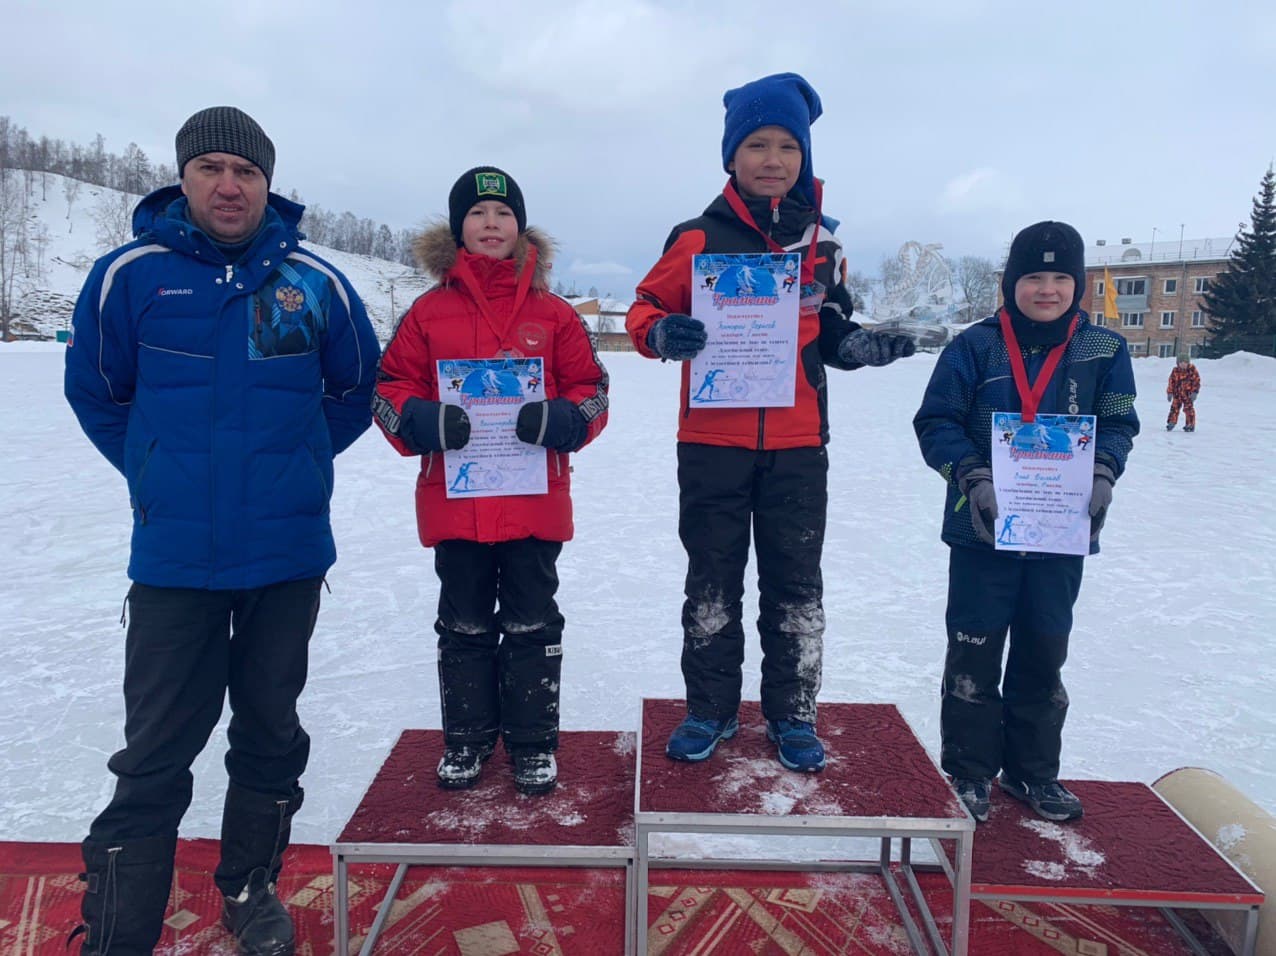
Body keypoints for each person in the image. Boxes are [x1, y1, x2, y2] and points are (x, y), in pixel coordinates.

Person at [63, 106, 380, 956]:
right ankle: (121, 930)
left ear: (268, 184)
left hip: (286, 554)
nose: (229, 185)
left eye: (246, 171)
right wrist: (156, 469)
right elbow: (97, 391)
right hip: (176, 559)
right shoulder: (128, 276)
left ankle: (249, 887)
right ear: (184, 179)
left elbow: (357, 389)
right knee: (155, 752)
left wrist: (297, 462)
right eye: (211, 168)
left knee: (270, 735)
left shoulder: (315, 283)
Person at [625, 73, 915, 773]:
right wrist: (661, 334)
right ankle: (710, 709)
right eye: (758, 144)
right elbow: (643, 310)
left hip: (797, 446)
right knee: (712, 582)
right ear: (732, 155)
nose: (774, 159)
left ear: (804, 156)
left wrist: (860, 347)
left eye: (789, 146)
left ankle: (792, 714)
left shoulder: (822, 246)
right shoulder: (697, 237)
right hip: (712, 445)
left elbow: (831, 331)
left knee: (795, 586)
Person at [373, 166, 608, 796]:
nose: (491, 223)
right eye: (477, 213)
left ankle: (532, 744)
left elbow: (592, 389)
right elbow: (389, 390)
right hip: (457, 504)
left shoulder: (554, 314)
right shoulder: (427, 313)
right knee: (464, 625)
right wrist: (421, 420)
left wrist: (564, 419)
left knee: (533, 622)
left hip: (533, 503)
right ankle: (468, 739)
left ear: (521, 228)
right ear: (458, 229)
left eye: (503, 213)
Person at [913, 221, 1139, 824]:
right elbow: (936, 422)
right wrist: (972, 477)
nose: (1047, 289)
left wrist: (1104, 472)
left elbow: (1119, 422)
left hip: (1061, 532)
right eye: (1034, 276)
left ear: (1078, 285)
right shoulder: (975, 346)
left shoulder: (1104, 349)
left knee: (1043, 652)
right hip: (981, 531)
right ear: (1012, 282)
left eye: (1060, 277)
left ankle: (1031, 771)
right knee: (974, 652)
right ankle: (968, 772)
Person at [1166, 353, 1201, 432]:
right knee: (1174, 409)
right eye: (1181, 362)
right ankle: (1171, 422)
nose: (1183, 364)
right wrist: (1170, 392)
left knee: (1189, 409)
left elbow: (1196, 381)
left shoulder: (1192, 370)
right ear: (1178, 363)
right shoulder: (1175, 371)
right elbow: (1171, 382)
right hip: (1177, 394)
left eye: (1185, 362)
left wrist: (1195, 392)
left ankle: (1190, 424)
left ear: (1188, 363)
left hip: (1188, 395)